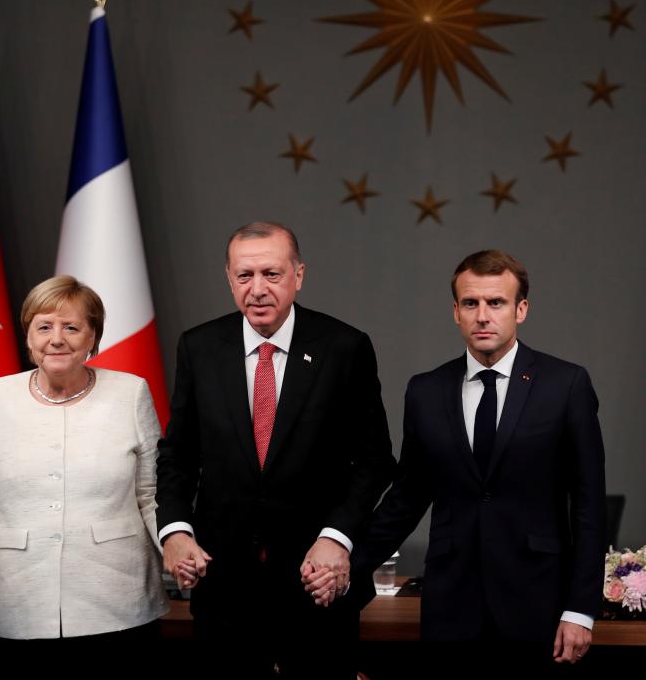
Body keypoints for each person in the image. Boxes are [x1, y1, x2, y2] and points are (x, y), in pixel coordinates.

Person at [155, 222, 395, 678]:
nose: (258, 289)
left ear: (298, 275)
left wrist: (336, 537)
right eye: (245, 276)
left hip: (315, 580)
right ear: (229, 278)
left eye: (272, 274)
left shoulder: (344, 347)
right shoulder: (200, 347)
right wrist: (176, 530)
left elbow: (375, 460)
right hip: (225, 582)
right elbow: (179, 455)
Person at [351, 250, 606, 677]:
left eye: (496, 303)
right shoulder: (426, 391)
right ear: (456, 312)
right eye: (471, 304)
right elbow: (408, 497)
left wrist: (580, 609)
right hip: (451, 607)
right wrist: (347, 564)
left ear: (521, 309)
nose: (482, 316)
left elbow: (588, 504)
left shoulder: (567, 385)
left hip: (537, 605)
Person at [0, 275, 168, 671]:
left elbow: (152, 494)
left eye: (72, 327)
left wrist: (178, 549)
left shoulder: (131, 393)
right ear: (29, 337)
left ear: (93, 337)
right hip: (17, 604)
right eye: (44, 326)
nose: (57, 338)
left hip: (118, 604)